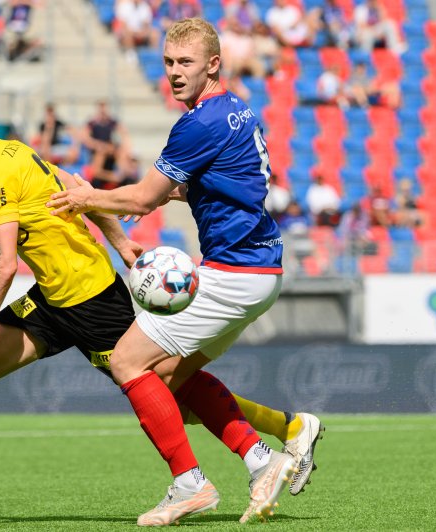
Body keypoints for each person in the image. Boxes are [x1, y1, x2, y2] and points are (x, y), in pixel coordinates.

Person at [0, 73, 322, 524]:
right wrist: (121, 244)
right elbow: (78, 189)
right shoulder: (11, 152)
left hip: (91, 299)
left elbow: (3, 267)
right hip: (51, 299)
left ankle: (274, 437)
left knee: (170, 388)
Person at [47, 18, 323, 526]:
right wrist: (174, 190)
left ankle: (190, 484)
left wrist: (89, 199)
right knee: (170, 377)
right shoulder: (234, 108)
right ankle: (265, 457)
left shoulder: (198, 123)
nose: (174, 73)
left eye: (186, 63)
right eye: (169, 63)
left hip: (234, 270)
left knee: (127, 362)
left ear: (213, 65)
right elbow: (223, 180)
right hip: (259, 268)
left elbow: (144, 196)